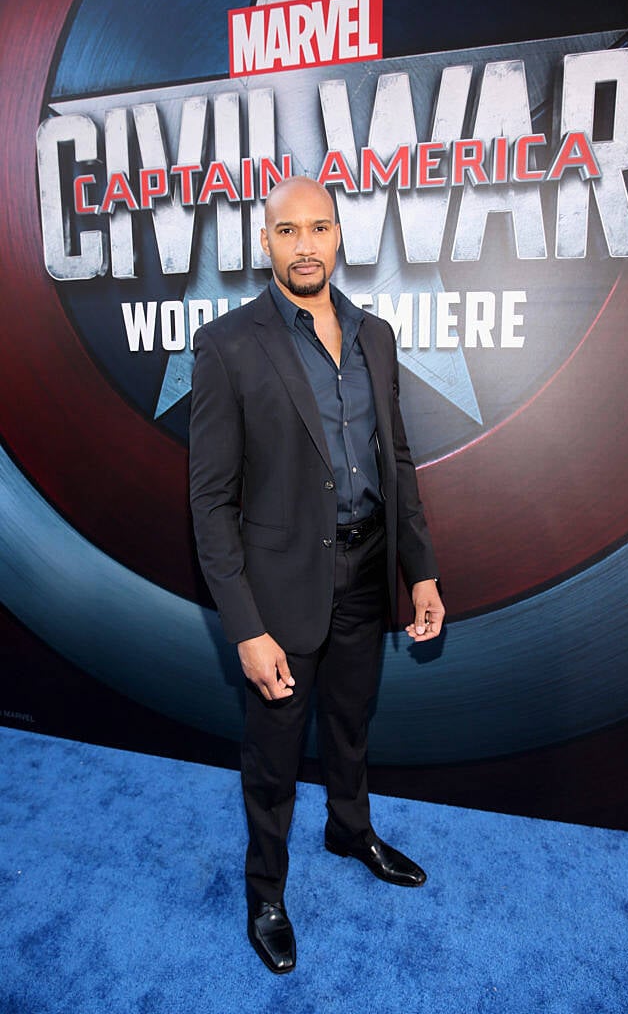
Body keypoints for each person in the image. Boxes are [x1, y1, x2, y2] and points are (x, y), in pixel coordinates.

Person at [189, 176, 445, 974]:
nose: (307, 245)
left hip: (370, 567)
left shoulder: (376, 335)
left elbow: (394, 460)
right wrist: (246, 627)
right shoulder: (228, 345)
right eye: (289, 230)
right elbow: (209, 502)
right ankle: (265, 888)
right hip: (280, 585)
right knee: (273, 754)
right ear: (265, 243)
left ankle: (349, 828)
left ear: (339, 236)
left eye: (321, 228)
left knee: (351, 720)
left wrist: (421, 571)